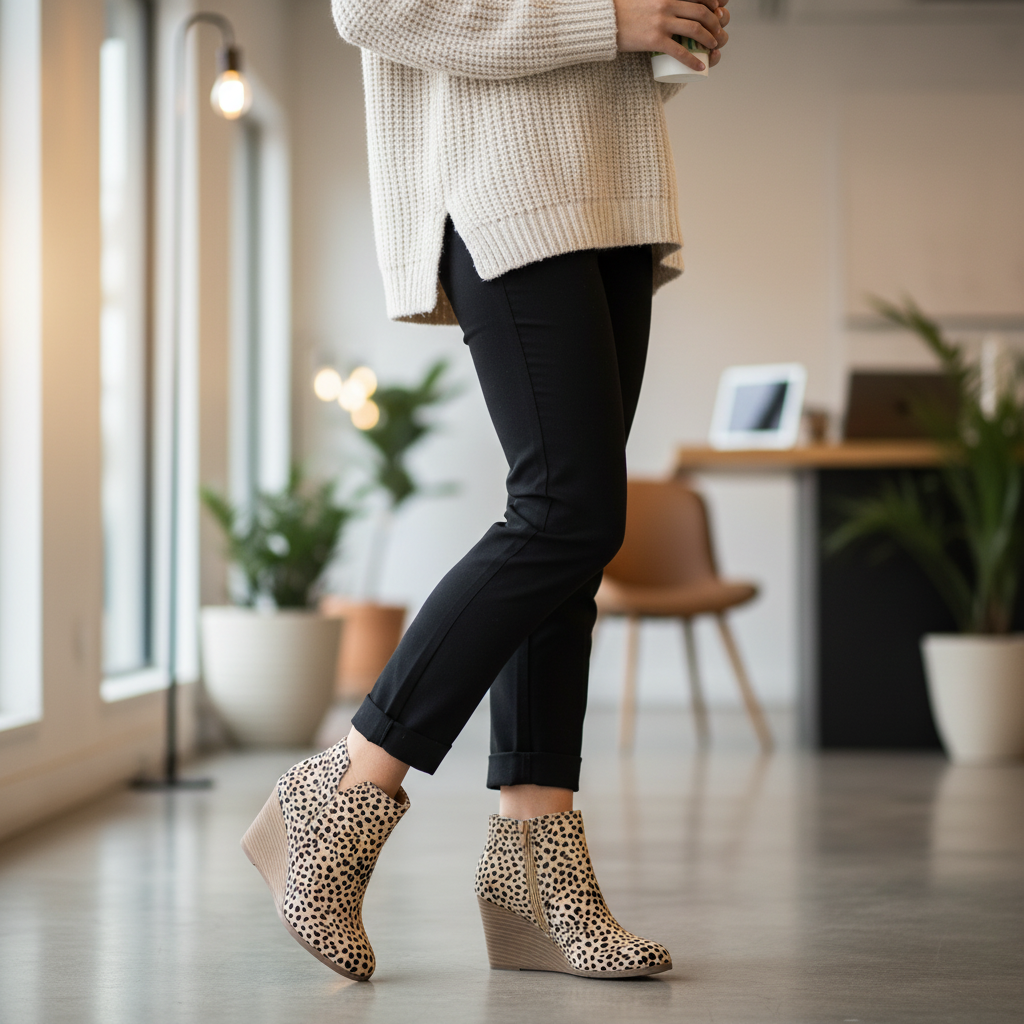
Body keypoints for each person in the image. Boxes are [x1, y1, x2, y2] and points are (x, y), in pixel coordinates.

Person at [241, 0, 730, 981]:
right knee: (563, 512)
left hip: (612, 182)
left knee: (574, 542)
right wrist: (611, 18)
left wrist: (671, 24)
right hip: (501, 173)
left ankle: (535, 873)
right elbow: (372, 8)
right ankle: (340, 791)